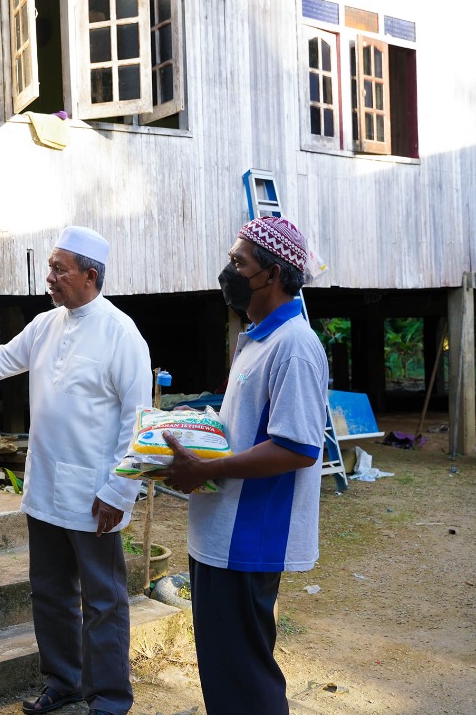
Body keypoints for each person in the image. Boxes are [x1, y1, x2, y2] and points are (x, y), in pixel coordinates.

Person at [0, 226, 152, 715]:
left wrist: (120, 491)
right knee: (49, 593)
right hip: (46, 487)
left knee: (104, 601)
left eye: (58, 269)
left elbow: (138, 423)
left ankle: (110, 700)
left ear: (89, 276)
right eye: (50, 267)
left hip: (95, 495)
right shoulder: (46, 325)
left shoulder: (121, 333)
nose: (49, 278)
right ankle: (64, 682)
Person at [161, 216, 328, 715]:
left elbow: (298, 447)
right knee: (225, 673)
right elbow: (247, 426)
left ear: (271, 273)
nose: (228, 271)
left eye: (239, 262)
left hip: (250, 537)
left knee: (245, 679)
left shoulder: (294, 346)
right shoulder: (257, 338)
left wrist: (205, 470)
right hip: (220, 532)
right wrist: (197, 427)